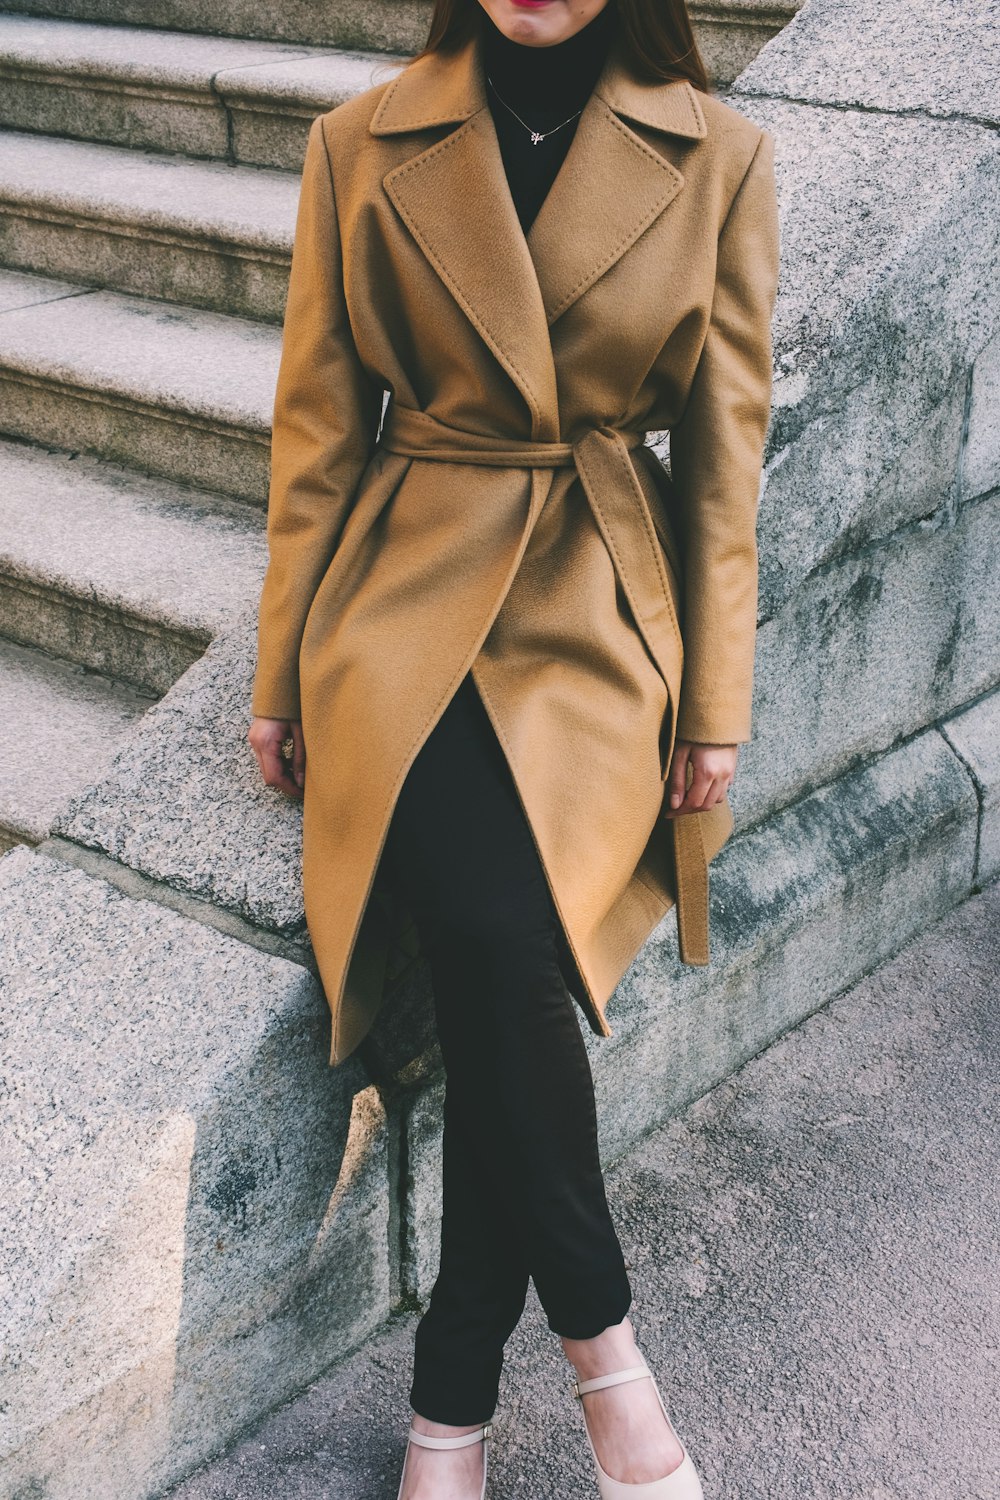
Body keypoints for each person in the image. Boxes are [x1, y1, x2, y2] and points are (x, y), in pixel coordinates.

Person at [248, 0, 780, 1495]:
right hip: (403, 600)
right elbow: (314, 428)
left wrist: (716, 707)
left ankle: (450, 1411)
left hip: (603, 609)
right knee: (498, 937)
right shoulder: (358, 143)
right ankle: (608, 1361)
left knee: (509, 966)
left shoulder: (723, 158)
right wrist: (282, 666)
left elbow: (724, 467)